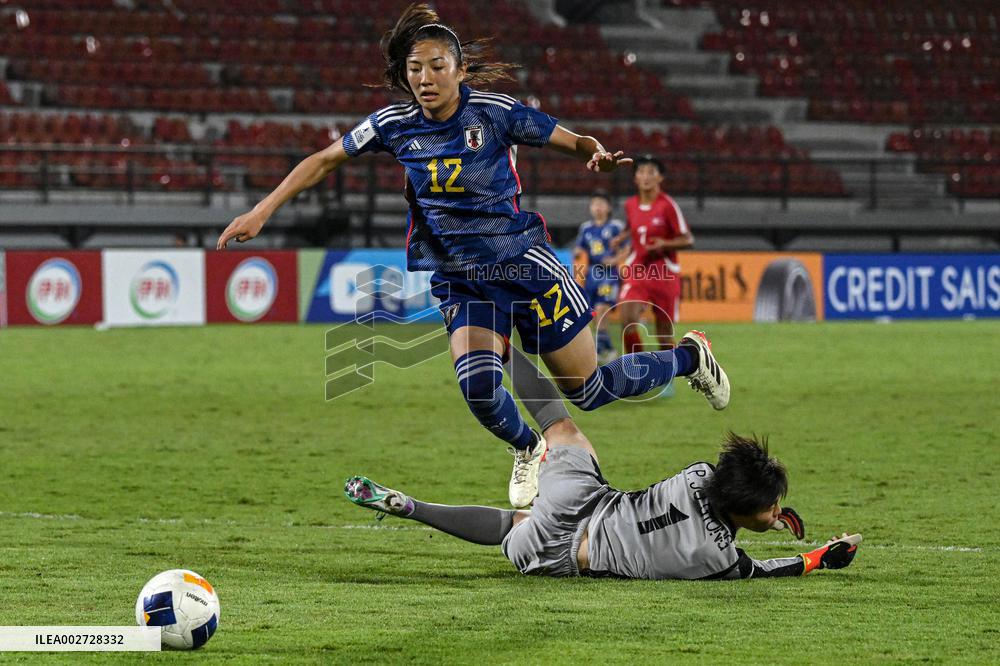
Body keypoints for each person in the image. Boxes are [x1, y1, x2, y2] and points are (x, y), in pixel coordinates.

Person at [217, 3, 728, 510]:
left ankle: (690, 357)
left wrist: (593, 152)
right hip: (461, 278)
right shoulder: (393, 124)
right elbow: (324, 160)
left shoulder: (494, 112)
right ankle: (529, 447)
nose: (425, 78)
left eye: (437, 66)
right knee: (479, 387)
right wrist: (261, 211)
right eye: (415, 68)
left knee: (589, 391)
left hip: (524, 267)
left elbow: (571, 140)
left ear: (460, 70)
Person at [345, 344, 862, 580]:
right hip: (563, 558)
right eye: (771, 508)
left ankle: (498, 349)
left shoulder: (700, 475)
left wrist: (764, 510)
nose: (775, 514)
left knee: (561, 428)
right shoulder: (720, 559)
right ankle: (415, 507)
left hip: (582, 500)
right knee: (513, 526)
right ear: (746, 510)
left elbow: (725, 492)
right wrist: (820, 557)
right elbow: (770, 567)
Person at [615, 155, 693, 357]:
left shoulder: (668, 206)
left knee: (664, 334)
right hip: (638, 269)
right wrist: (621, 237)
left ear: (660, 178)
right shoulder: (630, 205)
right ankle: (638, 367)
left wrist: (664, 244)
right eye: (641, 172)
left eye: (651, 172)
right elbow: (633, 227)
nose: (646, 176)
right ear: (635, 178)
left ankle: (668, 370)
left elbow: (688, 239)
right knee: (627, 319)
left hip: (664, 272)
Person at [572, 190, 625, 363]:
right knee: (592, 313)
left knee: (602, 309)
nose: (598, 207)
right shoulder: (586, 228)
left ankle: (599, 351)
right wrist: (577, 252)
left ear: (608, 207)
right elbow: (579, 247)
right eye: (594, 204)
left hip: (609, 275)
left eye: (601, 204)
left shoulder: (616, 227)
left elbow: (627, 247)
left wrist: (615, 260)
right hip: (592, 275)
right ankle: (607, 349)